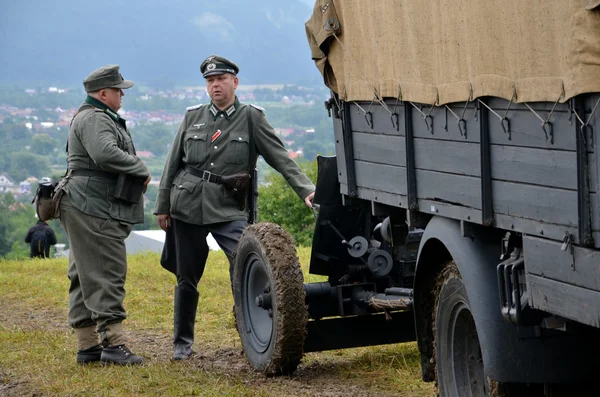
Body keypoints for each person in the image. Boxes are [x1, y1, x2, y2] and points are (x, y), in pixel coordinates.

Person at [154, 55, 315, 361]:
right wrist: (163, 206)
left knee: (246, 264)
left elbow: (279, 157)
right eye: (210, 81)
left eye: (221, 80)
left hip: (228, 207)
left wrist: (306, 189)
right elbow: (172, 162)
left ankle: (253, 336)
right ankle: (181, 344)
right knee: (186, 277)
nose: (215, 86)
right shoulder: (193, 117)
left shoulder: (251, 117)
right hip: (187, 205)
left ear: (234, 82)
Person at [59, 65, 151, 365]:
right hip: (93, 206)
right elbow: (105, 153)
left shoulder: (90, 116)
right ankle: (113, 343)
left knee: (84, 274)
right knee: (106, 271)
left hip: (85, 203)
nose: (122, 93)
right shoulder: (95, 118)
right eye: (118, 89)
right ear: (103, 93)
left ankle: (88, 347)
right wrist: (141, 169)